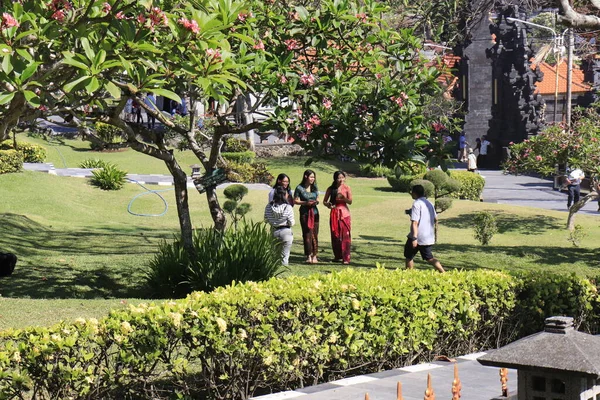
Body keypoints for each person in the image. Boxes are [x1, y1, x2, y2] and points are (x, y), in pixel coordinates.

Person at [405, 184, 445, 273]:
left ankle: (409, 275)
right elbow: (435, 218)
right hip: (428, 236)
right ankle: (443, 272)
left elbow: (414, 222)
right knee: (429, 258)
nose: (411, 194)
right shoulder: (429, 203)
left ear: (415, 193)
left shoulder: (416, 204)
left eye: (412, 192)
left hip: (417, 236)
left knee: (409, 257)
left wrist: (414, 238)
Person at [324, 171, 352, 264]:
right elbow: (325, 201)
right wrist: (328, 205)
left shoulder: (347, 188)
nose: (341, 180)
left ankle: (346, 257)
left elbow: (350, 201)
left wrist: (343, 198)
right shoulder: (331, 189)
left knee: (345, 235)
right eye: (339, 178)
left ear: (345, 178)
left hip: (344, 213)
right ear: (335, 179)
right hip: (334, 213)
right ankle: (337, 256)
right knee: (335, 235)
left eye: (342, 178)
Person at [264, 187, 295, 266]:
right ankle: (283, 268)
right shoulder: (288, 207)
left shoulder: (268, 206)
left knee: (275, 253)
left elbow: (266, 219)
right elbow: (291, 222)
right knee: (285, 254)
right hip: (285, 231)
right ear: (284, 195)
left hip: (274, 230)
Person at [294, 169, 320, 264]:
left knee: (315, 233)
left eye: (313, 177)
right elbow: (295, 200)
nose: (312, 179)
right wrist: (305, 202)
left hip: (315, 212)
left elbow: (317, 198)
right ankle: (308, 255)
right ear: (306, 177)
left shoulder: (315, 187)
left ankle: (315, 255)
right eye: (311, 177)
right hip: (305, 213)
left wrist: (315, 202)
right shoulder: (299, 188)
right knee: (307, 234)